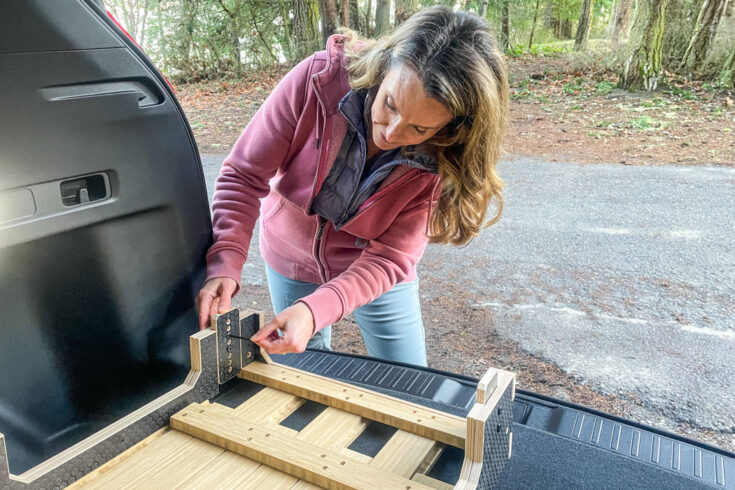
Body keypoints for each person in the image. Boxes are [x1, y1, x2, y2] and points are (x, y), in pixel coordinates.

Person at [196, 6, 509, 366]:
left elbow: (391, 256)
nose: (392, 133)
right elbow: (244, 174)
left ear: (452, 128)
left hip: (376, 270)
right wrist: (226, 260)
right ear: (383, 66)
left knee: (407, 381)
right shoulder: (316, 81)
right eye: (390, 104)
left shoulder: (446, 156)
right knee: (304, 370)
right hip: (289, 256)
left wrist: (315, 311)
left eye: (420, 129)